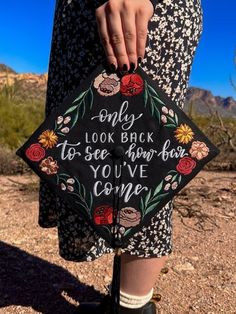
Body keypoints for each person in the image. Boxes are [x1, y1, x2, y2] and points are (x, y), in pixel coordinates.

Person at [39, 0, 203, 313]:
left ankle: (132, 308)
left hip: (134, 12)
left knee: (143, 171)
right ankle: (123, 298)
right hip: (89, 16)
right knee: (99, 164)